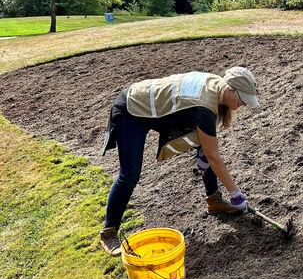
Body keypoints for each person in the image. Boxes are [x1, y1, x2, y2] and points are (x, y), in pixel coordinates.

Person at [99, 67, 259, 256]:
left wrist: (204, 154)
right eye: (242, 98)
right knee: (129, 175)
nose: (244, 104)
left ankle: (214, 200)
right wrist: (235, 193)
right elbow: (214, 157)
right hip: (132, 109)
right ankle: (108, 232)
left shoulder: (217, 88)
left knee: (205, 151)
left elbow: (208, 149)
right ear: (230, 89)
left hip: (163, 111)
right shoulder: (205, 105)